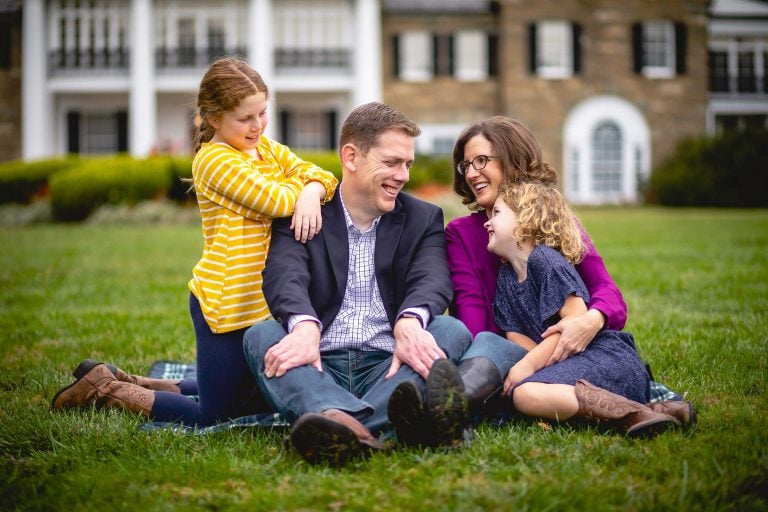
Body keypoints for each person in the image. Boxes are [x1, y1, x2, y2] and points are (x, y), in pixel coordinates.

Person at [51, 56, 338, 426]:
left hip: (260, 302)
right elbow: (275, 202)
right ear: (215, 118)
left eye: (262, 114)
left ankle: (137, 380)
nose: (257, 126)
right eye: (245, 118)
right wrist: (302, 190)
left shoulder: (265, 148)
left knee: (244, 397)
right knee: (214, 415)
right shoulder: (214, 161)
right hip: (226, 305)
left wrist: (312, 191)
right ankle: (106, 389)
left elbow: (322, 175)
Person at [242, 102, 473, 466]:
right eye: (392, 162)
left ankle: (336, 423)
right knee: (261, 337)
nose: (403, 176)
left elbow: (432, 277)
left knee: (450, 330)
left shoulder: (422, 217)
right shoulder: (304, 212)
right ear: (351, 157)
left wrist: (409, 322)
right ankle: (380, 424)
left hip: (391, 363)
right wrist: (303, 328)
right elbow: (284, 275)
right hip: (317, 363)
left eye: (408, 164)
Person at [471, 182, 694, 436]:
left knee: (524, 394)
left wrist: (528, 367)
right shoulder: (506, 279)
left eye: (497, 214)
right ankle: (660, 410)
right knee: (523, 394)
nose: (487, 223)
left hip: (604, 357)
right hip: (567, 367)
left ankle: (632, 415)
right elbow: (517, 339)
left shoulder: (545, 261)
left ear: (525, 221)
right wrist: (531, 368)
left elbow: (575, 322)